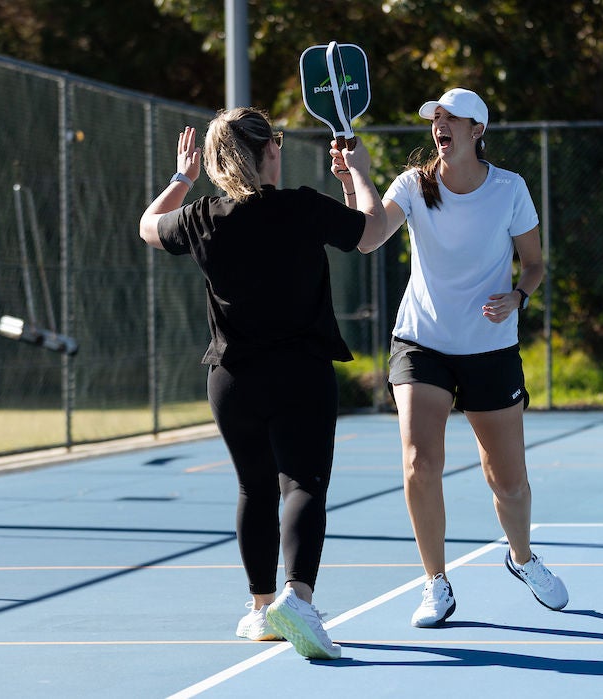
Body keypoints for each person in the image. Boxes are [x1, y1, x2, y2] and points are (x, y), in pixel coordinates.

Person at [139, 107, 386, 658]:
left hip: (232, 381)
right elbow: (370, 233)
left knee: (254, 489)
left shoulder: (201, 216)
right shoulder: (302, 206)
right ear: (269, 150)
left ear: (216, 162)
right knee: (302, 486)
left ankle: (260, 609)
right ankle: (298, 599)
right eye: (276, 140)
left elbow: (148, 225)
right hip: (300, 373)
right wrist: (359, 175)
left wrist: (182, 178)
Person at [333, 88, 568, 627]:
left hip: (490, 346)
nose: (440, 125)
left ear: (476, 130)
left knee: (508, 481)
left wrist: (518, 296)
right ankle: (435, 581)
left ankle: (522, 557)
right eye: (436, 118)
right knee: (420, 463)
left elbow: (534, 263)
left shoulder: (510, 189)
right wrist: (354, 179)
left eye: (452, 118)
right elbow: (368, 238)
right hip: (422, 342)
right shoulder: (412, 186)